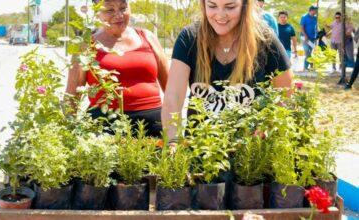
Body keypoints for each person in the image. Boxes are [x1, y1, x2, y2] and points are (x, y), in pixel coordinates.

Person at [162, 0, 293, 141]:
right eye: (212, 6)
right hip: (200, 149)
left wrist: (269, 124)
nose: (220, 15)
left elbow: (286, 96)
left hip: (250, 152)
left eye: (230, 7)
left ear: (245, 6)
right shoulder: (189, 38)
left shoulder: (265, 39)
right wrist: (172, 142)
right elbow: (173, 97)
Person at [65, 0, 169, 137]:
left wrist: (175, 130)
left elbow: (171, 88)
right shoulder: (85, 45)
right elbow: (71, 97)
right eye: (110, 10)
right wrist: (68, 137)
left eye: (123, 8)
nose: (119, 15)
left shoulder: (148, 37)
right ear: (97, 12)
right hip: (103, 132)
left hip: (153, 130)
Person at [300, 5, 318, 71]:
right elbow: (302, 28)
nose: (316, 11)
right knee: (307, 52)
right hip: (304, 37)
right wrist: (305, 36)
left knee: (311, 52)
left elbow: (316, 27)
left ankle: (311, 66)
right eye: (315, 10)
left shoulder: (315, 18)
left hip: (313, 38)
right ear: (311, 10)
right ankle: (305, 67)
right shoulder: (304, 17)